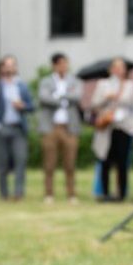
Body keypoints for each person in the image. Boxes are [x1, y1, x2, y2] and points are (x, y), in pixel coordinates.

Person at [0, 56, 34, 200]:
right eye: (7, 65)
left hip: (18, 128)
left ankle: (18, 193)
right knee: (2, 163)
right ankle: (4, 194)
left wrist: (22, 106)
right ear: (1, 68)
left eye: (13, 65)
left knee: (21, 160)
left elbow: (31, 106)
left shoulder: (22, 86)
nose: (10, 68)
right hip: (2, 128)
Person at [91, 58, 133, 202]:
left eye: (122, 67)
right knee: (105, 160)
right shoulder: (103, 84)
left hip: (124, 127)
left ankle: (122, 193)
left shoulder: (130, 85)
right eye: (116, 67)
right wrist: (106, 98)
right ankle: (104, 193)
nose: (119, 70)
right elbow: (94, 105)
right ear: (111, 69)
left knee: (122, 162)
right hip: (107, 127)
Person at [38, 53, 81, 204]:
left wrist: (57, 96)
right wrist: (63, 97)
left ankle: (71, 194)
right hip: (51, 128)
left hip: (69, 128)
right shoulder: (46, 81)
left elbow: (77, 96)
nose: (64, 66)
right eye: (61, 64)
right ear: (54, 65)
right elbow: (43, 97)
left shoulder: (74, 80)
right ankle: (49, 194)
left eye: (66, 63)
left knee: (70, 163)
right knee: (49, 163)